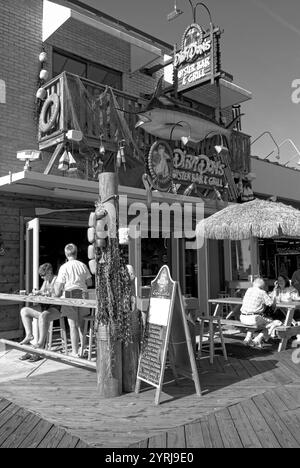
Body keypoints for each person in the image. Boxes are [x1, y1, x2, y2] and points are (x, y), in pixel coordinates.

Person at [54, 243, 92, 357]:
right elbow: (90, 282)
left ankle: (75, 352)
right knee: (82, 324)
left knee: (72, 325)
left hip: (70, 294)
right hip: (83, 294)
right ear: (76, 253)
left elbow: (59, 286)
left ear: (66, 254)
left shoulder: (64, 267)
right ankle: (83, 350)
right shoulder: (83, 265)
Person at [19, 263, 60, 362]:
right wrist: (36, 293)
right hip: (45, 307)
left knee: (43, 316)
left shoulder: (57, 279)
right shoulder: (46, 281)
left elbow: (57, 295)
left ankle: (40, 346)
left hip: (57, 308)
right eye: (40, 276)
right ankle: (29, 335)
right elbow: (42, 293)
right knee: (24, 311)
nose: (42, 277)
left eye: (43, 275)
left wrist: (42, 293)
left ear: (50, 272)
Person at [240, 277, 281, 349]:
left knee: (259, 322)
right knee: (275, 323)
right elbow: (271, 304)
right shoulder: (262, 292)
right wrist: (274, 296)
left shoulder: (248, 290)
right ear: (262, 286)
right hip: (253, 318)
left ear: (254, 284)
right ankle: (257, 339)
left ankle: (247, 338)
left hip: (242, 318)